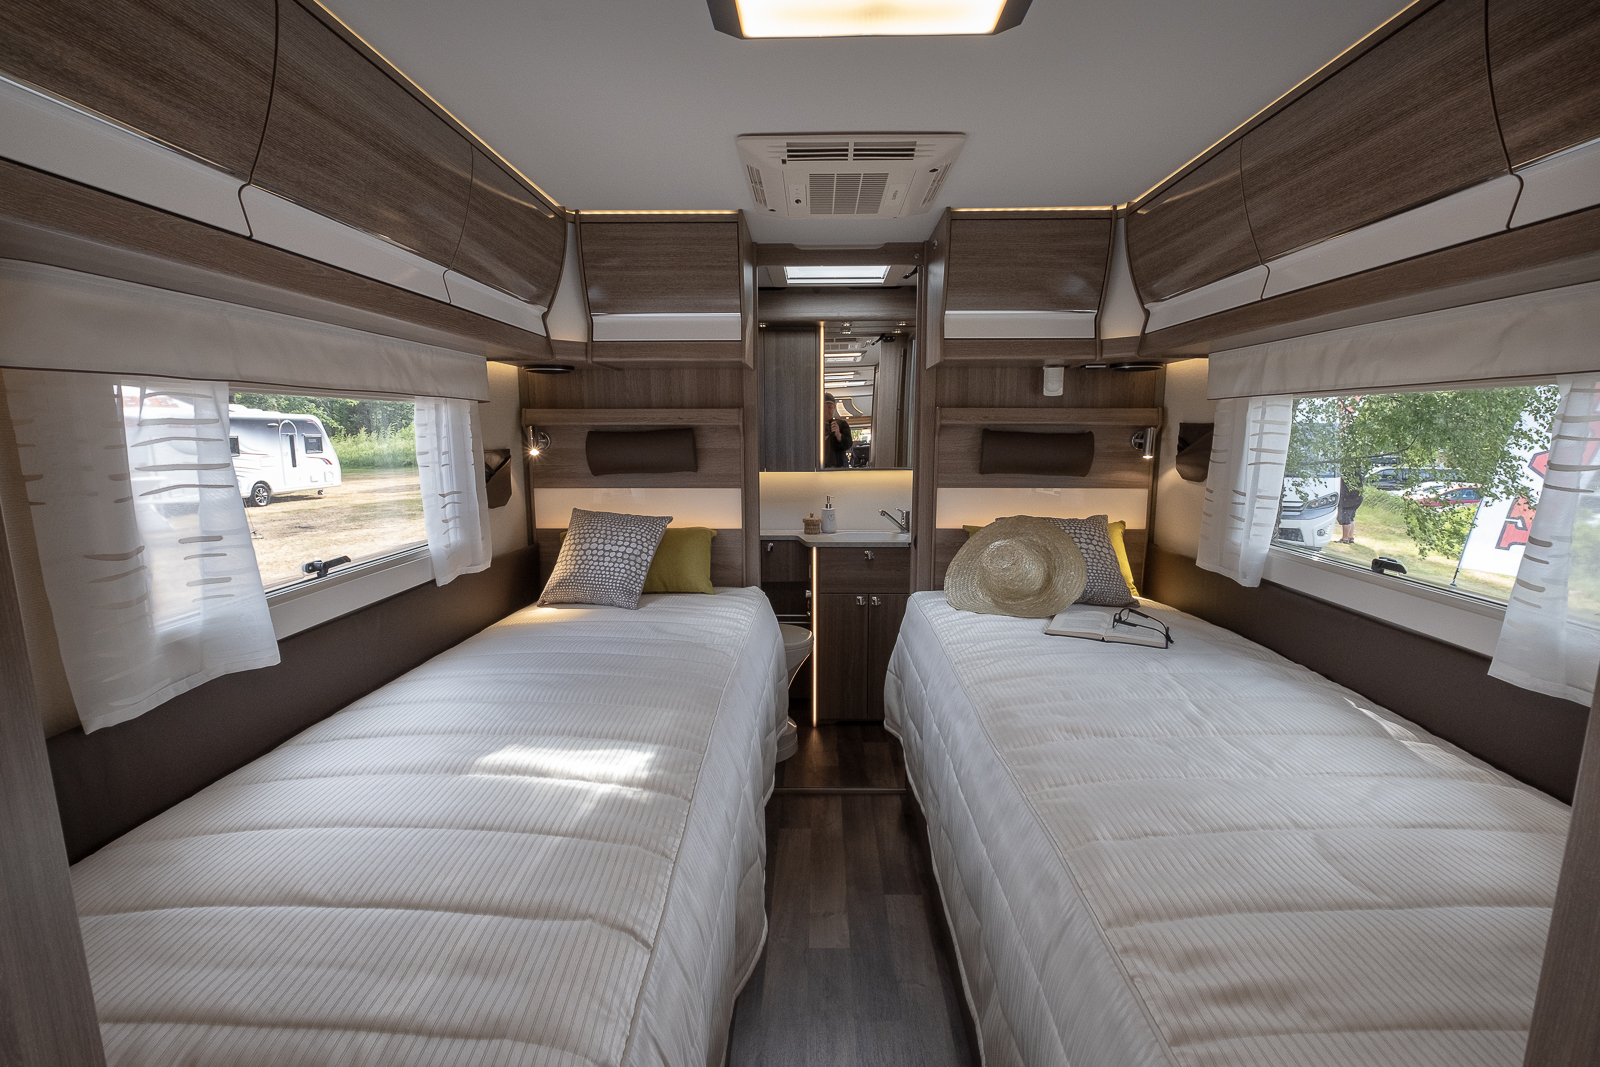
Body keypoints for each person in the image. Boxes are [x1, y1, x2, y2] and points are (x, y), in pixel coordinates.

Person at [823, 392, 853, 468]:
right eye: (824, 407)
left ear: (834, 407)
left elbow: (848, 444)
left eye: (829, 407)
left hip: (839, 467)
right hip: (820, 466)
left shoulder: (842, 424)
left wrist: (839, 435)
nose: (826, 410)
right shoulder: (815, 425)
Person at [1336, 475, 1363, 544]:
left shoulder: (1346, 474)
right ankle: (1350, 537)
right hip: (1356, 498)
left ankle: (1345, 538)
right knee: (1350, 517)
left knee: (1345, 518)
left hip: (1348, 499)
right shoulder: (1356, 473)